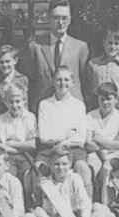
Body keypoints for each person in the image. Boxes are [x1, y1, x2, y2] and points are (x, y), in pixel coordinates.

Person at [34, 65, 92, 200]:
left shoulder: (78, 105)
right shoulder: (45, 104)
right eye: (59, 79)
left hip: (73, 150)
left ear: (72, 83)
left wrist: (63, 142)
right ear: (53, 82)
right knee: (39, 168)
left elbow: (80, 138)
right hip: (49, 149)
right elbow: (44, 137)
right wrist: (67, 134)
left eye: (66, 80)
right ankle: (40, 205)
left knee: (83, 167)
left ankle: (87, 205)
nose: (62, 83)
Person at [34, 146, 111, 217]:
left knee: (103, 214)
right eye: (57, 164)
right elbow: (46, 208)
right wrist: (40, 188)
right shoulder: (47, 182)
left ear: (70, 164)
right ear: (50, 164)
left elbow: (84, 203)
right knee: (37, 211)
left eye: (64, 164)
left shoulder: (75, 178)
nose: (61, 167)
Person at [25, 0, 89, 113]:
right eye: (56, 18)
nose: (60, 22)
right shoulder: (35, 47)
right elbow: (31, 81)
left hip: (72, 108)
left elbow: (85, 81)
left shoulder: (80, 47)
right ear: (49, 19)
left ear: (70, 20)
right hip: (44, 108)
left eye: (64, 18)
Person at [85, 82, 119, 204]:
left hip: (115, 155)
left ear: (116, 99)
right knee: (92, 165)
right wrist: (108, 146)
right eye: (102, 99)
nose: (105, 103)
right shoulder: (90, 116)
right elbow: (88, 143)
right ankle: (91, 202)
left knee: (107, 168)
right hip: (95, 153)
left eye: (109, 99)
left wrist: (99, 139)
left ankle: (106, 204)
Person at [87, 27, 119, 114]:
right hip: (98, 104)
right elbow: (88, 87)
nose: (113, 47)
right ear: (103, 43)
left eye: (116, 43)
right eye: (110, 43)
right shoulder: (93, 64)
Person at [0, 83, 36, 183]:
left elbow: (32, 144)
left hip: (26, 156)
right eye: (11, 102)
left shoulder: (30, 117)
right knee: (8, 177)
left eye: (18, 101)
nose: (14, 105)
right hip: (8, 156)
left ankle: (28, 198)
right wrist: (22, 146)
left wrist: (11, 143)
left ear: (24, 101)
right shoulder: (1, 119)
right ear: (5, 102)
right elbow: (1, 145)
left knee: (28, 176)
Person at [0, 44, 29, 115]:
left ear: (15, 60)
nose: (4, 65)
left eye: (7, 61)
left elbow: (25, 103)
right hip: (1, 119)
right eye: (1, 62)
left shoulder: (22, 79)